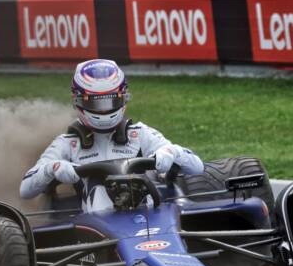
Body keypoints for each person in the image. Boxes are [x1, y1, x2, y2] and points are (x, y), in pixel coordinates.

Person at [19, 59, 204, 211]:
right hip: (94, 230)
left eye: (111, 100)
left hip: (149, 215)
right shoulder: (68, 144)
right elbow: (25, 190)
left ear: (123, 97)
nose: (105, 109)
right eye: (98, 103)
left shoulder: (139, 134)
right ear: (78, 100)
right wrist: (53, 168)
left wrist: (171, 153)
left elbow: (197, 167)